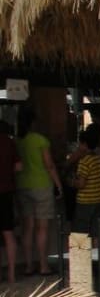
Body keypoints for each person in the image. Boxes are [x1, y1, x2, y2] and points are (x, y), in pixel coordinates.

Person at [15, 107, 63, 276]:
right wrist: (58, 184)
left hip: (22, 185)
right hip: (42, 185)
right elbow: (49, 165)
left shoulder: (18, 141)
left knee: (27, 227)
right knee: (42, 227)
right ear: (33, 123)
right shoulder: (40, 140)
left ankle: (28, 265)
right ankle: (43, 265)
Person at [72, 124, 100, 238]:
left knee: (81, 230)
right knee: (95, 230)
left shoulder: (84, 161)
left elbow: (81, 183)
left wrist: (71, 182)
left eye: (80, 144)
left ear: (84, 144)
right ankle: (96, 248)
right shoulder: (97, 159)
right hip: (99, 199)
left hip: (85, 200)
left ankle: (82, 250)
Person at [0, 120, 22, 284]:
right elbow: (19, 167)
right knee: (8, 233)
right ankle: (12, 274)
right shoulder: (9, 142)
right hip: (6, 193)